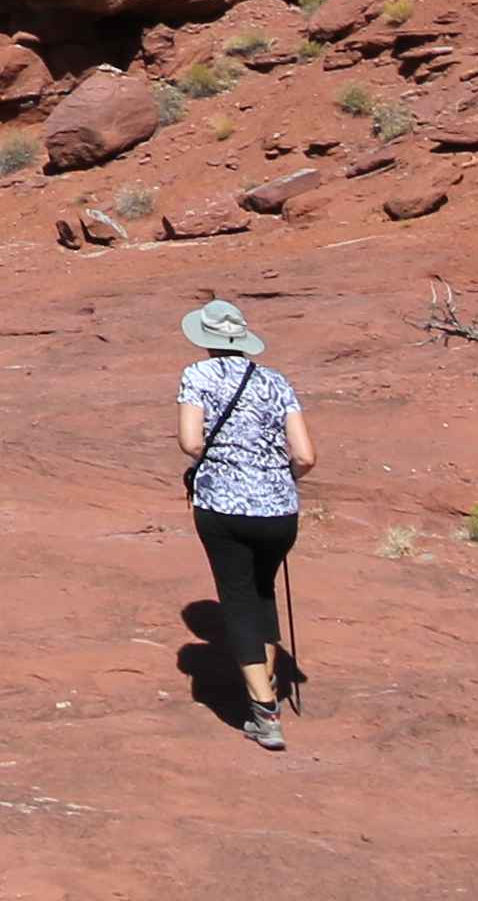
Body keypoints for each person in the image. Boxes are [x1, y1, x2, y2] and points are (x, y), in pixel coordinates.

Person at [173, 296, 313, 749]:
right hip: (279, 511)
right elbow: (306, 456)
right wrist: (276, 476)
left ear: (207, 340)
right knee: (262, 592)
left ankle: (264, 711)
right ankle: (266, 685)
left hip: (224, 506)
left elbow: (191, 442)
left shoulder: (198, 375)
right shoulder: (277, 381)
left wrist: (222, 464)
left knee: (235, 598)